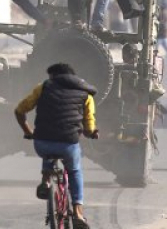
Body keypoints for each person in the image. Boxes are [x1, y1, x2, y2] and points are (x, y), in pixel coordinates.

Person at [14, 63, 99, 229]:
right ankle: (78, 212)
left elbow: (19, 110)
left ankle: (46, 181)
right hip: (68, 144)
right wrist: (92, 133)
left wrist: (28, 131)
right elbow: (89, 127)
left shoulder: (43, 87)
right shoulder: (86, 95)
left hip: (42, 143)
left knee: (48, 149)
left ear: (54, 76)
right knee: (74, 171)